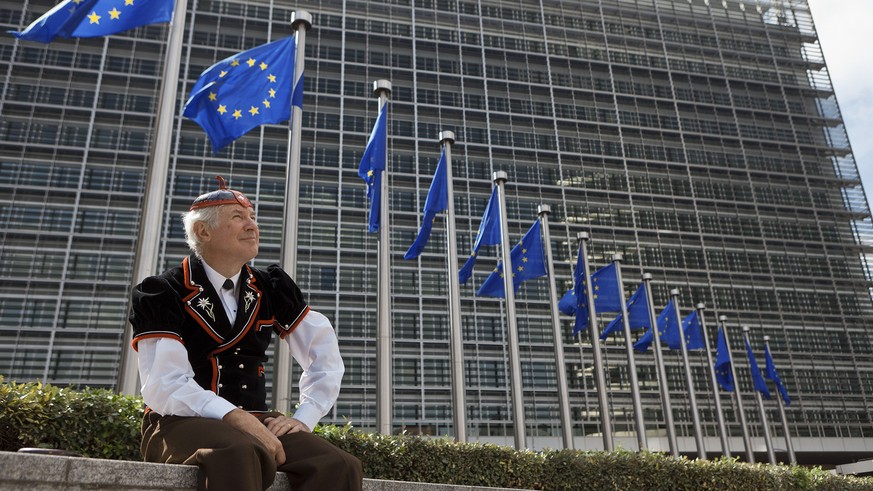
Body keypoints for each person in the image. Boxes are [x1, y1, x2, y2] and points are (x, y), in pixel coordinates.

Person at [128, 176, 362, 491]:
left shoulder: (271, 287)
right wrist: (235, 418)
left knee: (337, 464)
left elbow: (324, 357)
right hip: (176, 422)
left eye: (252, 217)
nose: (251, 225)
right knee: (239, 452)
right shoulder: (163, 291)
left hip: (255, 421)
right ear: (203, 231)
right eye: (238, 218)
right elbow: (164, 386)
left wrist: (303, 417)